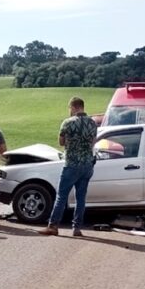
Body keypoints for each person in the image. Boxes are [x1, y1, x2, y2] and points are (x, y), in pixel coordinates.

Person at [39, 97, 97, 237]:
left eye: (70, 108)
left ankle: (53, 225)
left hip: (71, 164)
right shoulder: (92, 123)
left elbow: (61, 142)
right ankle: (77, 228)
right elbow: (92, 142)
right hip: (87, 165)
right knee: (81, 198)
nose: (69, 111)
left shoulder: (67, 123)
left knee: (62, 196)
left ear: (74, 107)